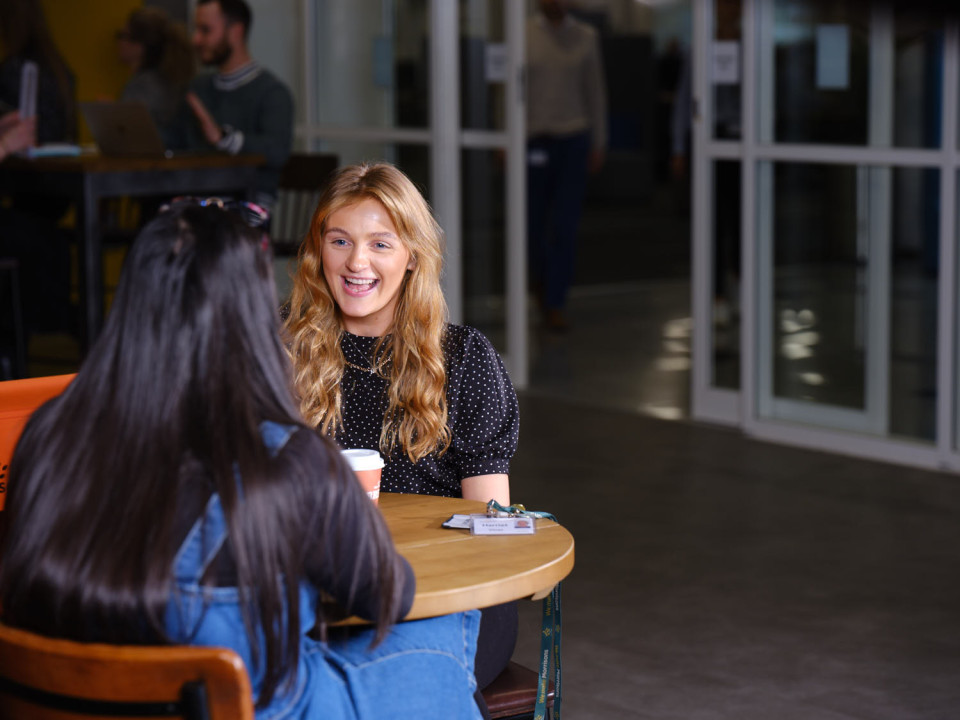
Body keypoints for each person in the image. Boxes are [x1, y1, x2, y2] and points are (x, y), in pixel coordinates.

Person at [0, 201, 482, 720]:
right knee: (446, 624)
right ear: (253, 316)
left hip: (77, 701)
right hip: (246, 708)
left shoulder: (48, 430)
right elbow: (386, 594)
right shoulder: (289, 459)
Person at [283, 162, 520, 719]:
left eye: (380, 244)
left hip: (448, 597)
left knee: (373, 684)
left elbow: (491, 523)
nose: (356, 262)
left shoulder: (463, 358)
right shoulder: (281, 348)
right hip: (319, 592)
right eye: (339, 240)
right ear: (319, 249)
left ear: (412, 255)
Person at [526, 0, 607, 332]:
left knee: (565, 227)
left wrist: (599, 142)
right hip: (534, 142)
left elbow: (596, 92)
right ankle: (540, 283)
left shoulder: (586, 36)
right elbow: (508, 88)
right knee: (530, 226)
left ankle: (555, 302)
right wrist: (503, 137)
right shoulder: (523, 34)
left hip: (574, 141)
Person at [174, 0, 293, 208]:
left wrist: (225, 138)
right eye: (197, 30)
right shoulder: (198, 88)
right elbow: (175, 141)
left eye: (206, 30)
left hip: (247, 208)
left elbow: (277, 151)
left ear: (236, 32)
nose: (196, 40)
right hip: (197, 202)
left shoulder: (273, 93)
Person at [116, 6, 194, 146]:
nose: (118, 42)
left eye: (122, 35)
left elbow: (129, 139)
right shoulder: (170, 78)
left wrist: (112, 117)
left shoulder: (144, 86)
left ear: (139, 45)